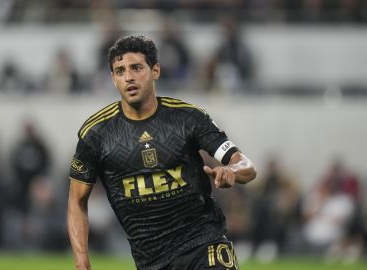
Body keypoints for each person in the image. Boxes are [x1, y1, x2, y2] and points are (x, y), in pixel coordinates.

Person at [67, 35, 257, 270]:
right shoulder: (96, 134)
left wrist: (232, 171)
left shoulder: (188, 118)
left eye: (136, 68)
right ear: (113, 78)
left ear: (155, 70)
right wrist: (82, 260)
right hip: (151, 261)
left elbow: (246, 165)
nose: (129, 77)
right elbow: (77, 200)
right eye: (120, 71)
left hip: (202, 244)